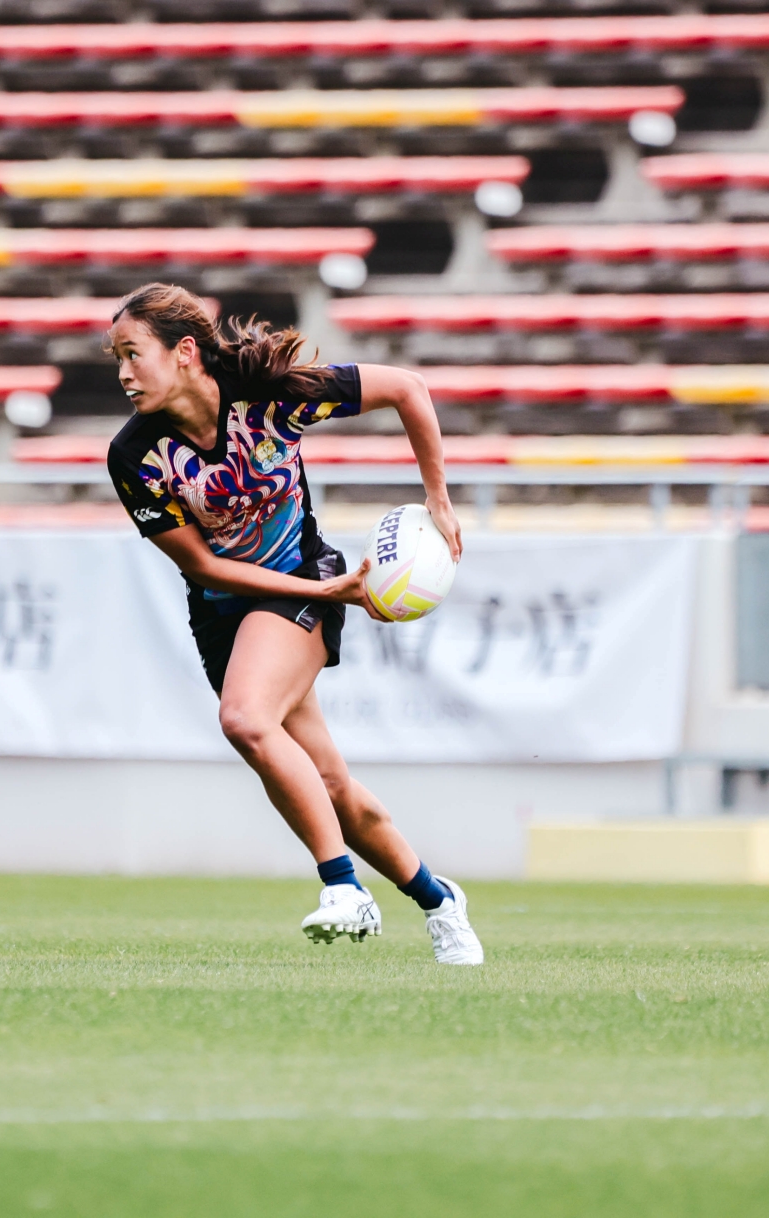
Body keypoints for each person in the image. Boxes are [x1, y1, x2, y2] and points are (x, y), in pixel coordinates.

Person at [103, 283, 484, 966]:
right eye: (117, 359)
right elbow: (205, 566)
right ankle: (439, 900)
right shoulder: (133, 456)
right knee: (332, 788)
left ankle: (344, 888)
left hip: (303, 579)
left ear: (185, 351)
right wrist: (327, 591)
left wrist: (438, 498)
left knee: (245, 719)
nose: (124, 373)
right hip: (228, 611)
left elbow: (408, 388)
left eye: (134, 353)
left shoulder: (269, 393)